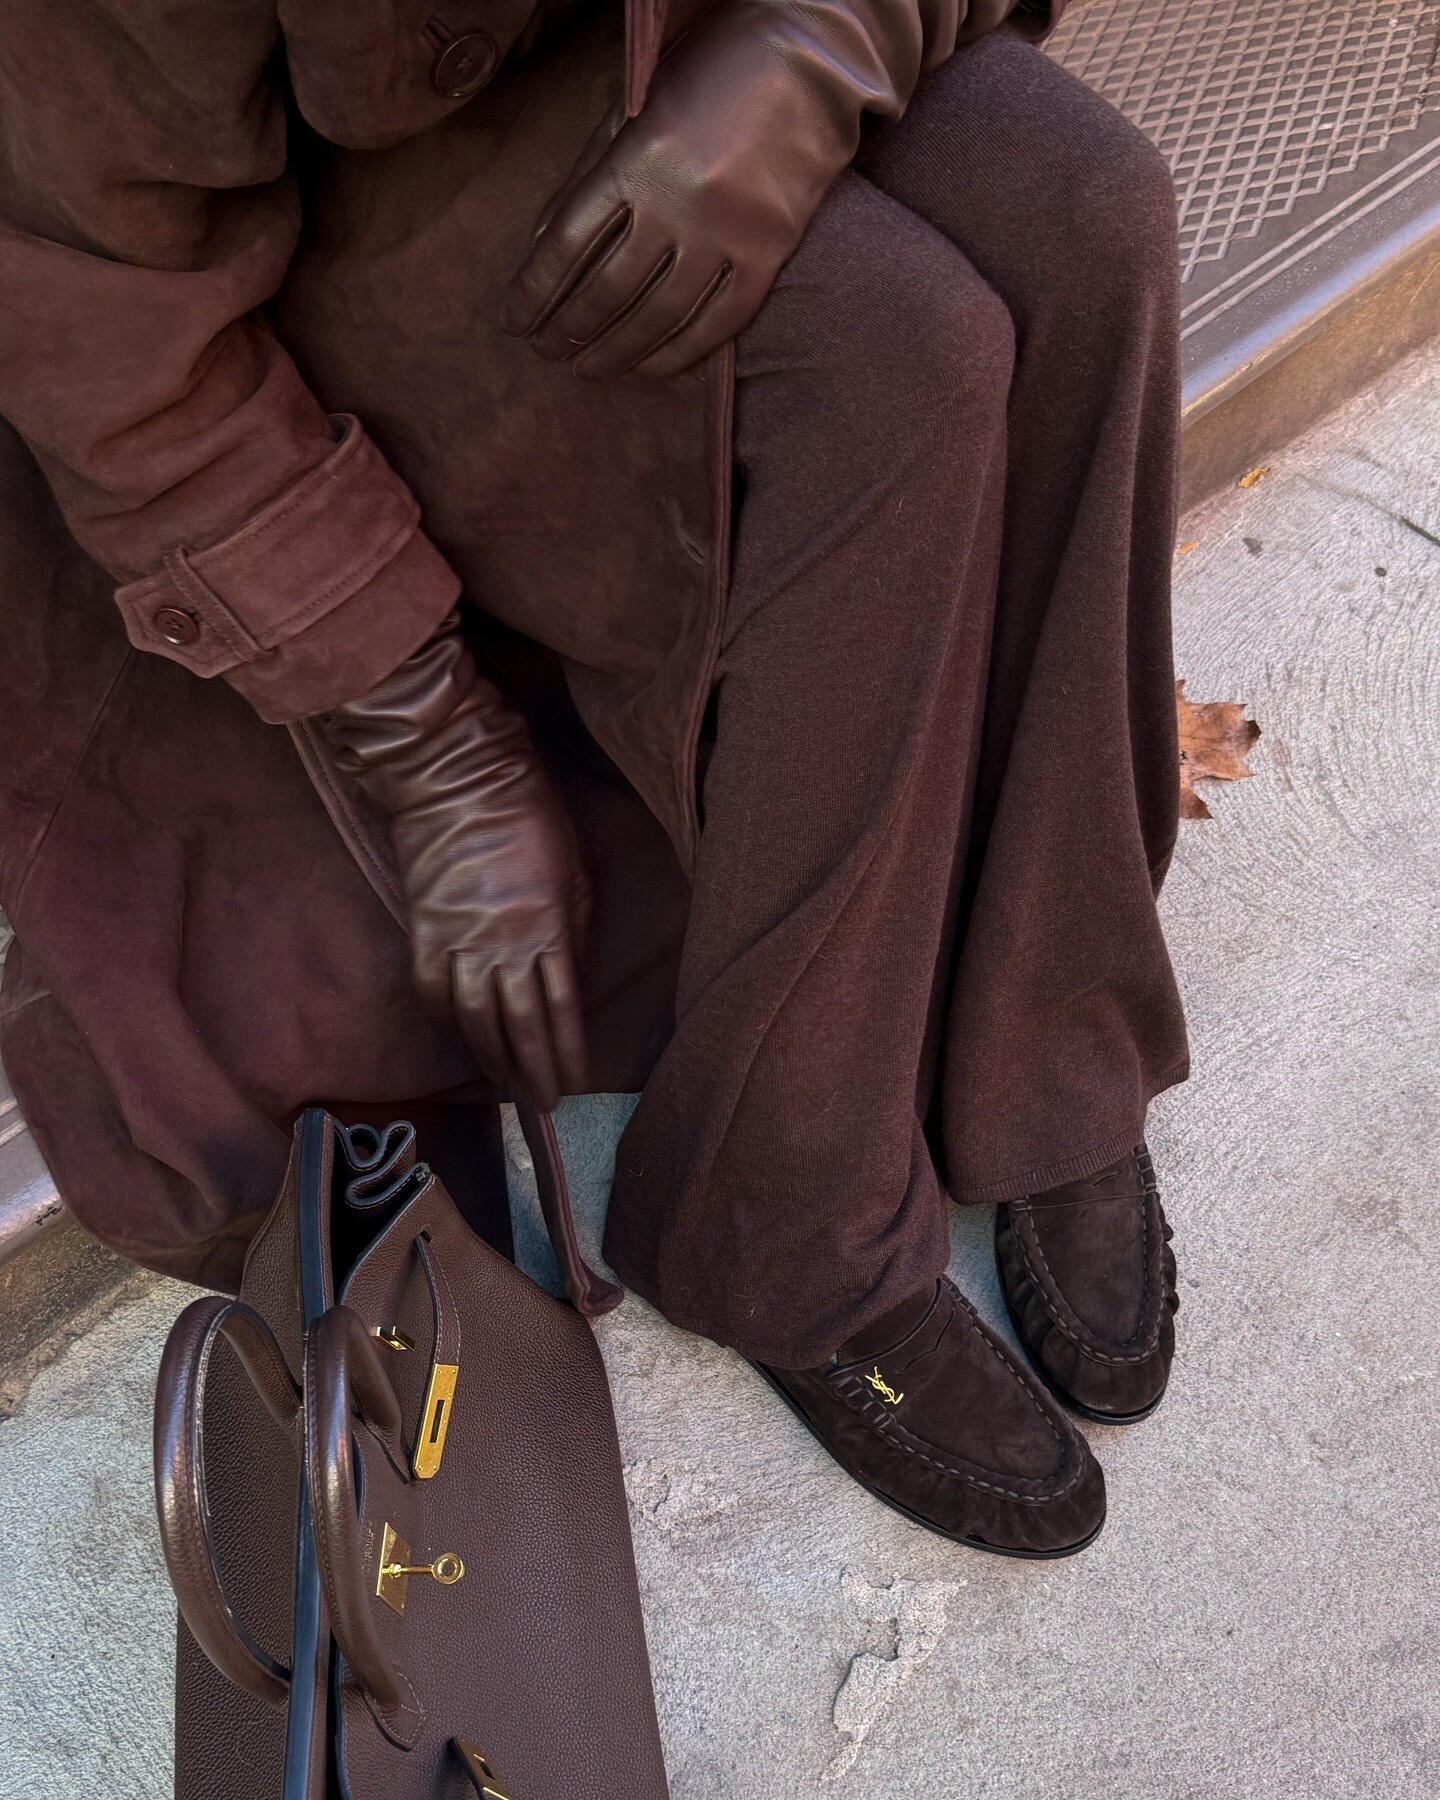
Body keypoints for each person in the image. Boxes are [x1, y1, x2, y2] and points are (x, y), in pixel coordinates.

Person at [0, 0, 1185, 1559]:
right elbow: (103, 315)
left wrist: (835, 37)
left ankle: (1035, 1030)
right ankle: (779, 1218)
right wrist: (429, 741)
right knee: (896, 362)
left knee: (1096, 211)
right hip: (345, 200)